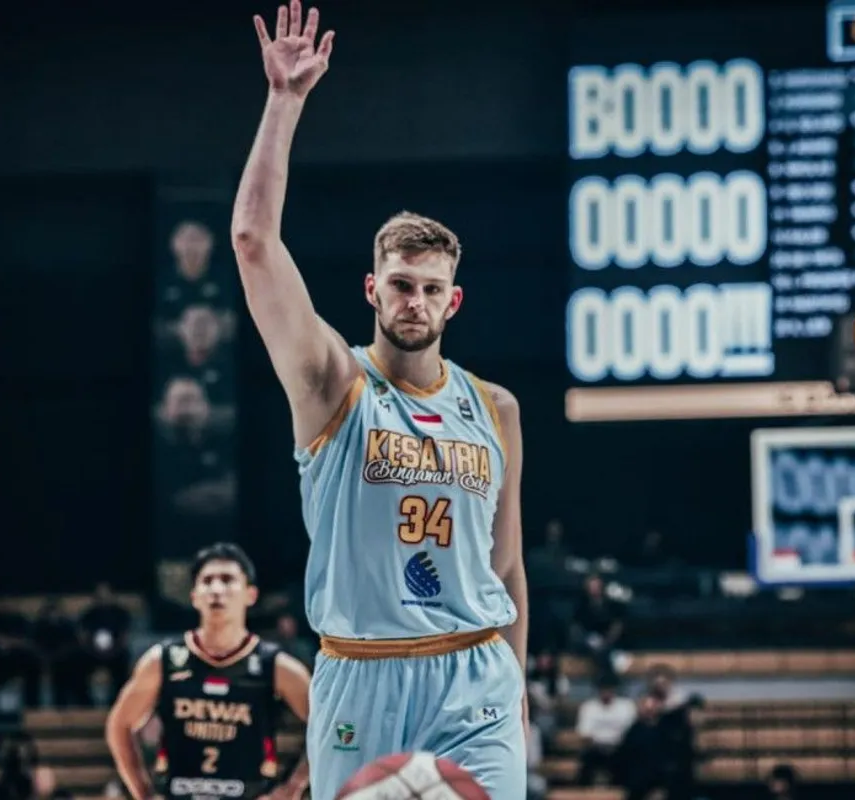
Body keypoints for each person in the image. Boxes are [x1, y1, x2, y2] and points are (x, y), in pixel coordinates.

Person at [231, 3, 529, 798]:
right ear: (373, 289)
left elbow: (506, 566)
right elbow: (254, 245)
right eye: (401, 284)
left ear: (453, 302)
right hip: (362, 675)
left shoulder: (495, 408)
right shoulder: (334, 382)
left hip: (476, 674)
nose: (414, 301)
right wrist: (284, 103)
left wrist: (518, 688)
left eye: (431, 289)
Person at [105, 544, 311, 800]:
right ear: (194, 596)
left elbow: (326, 728)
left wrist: (293, 787)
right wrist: (143, 791)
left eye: (227, 580)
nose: (216, 589)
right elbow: (119, 724)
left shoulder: (277, 666)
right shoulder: (163, 660)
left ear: (250, 594)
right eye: (207, 581)